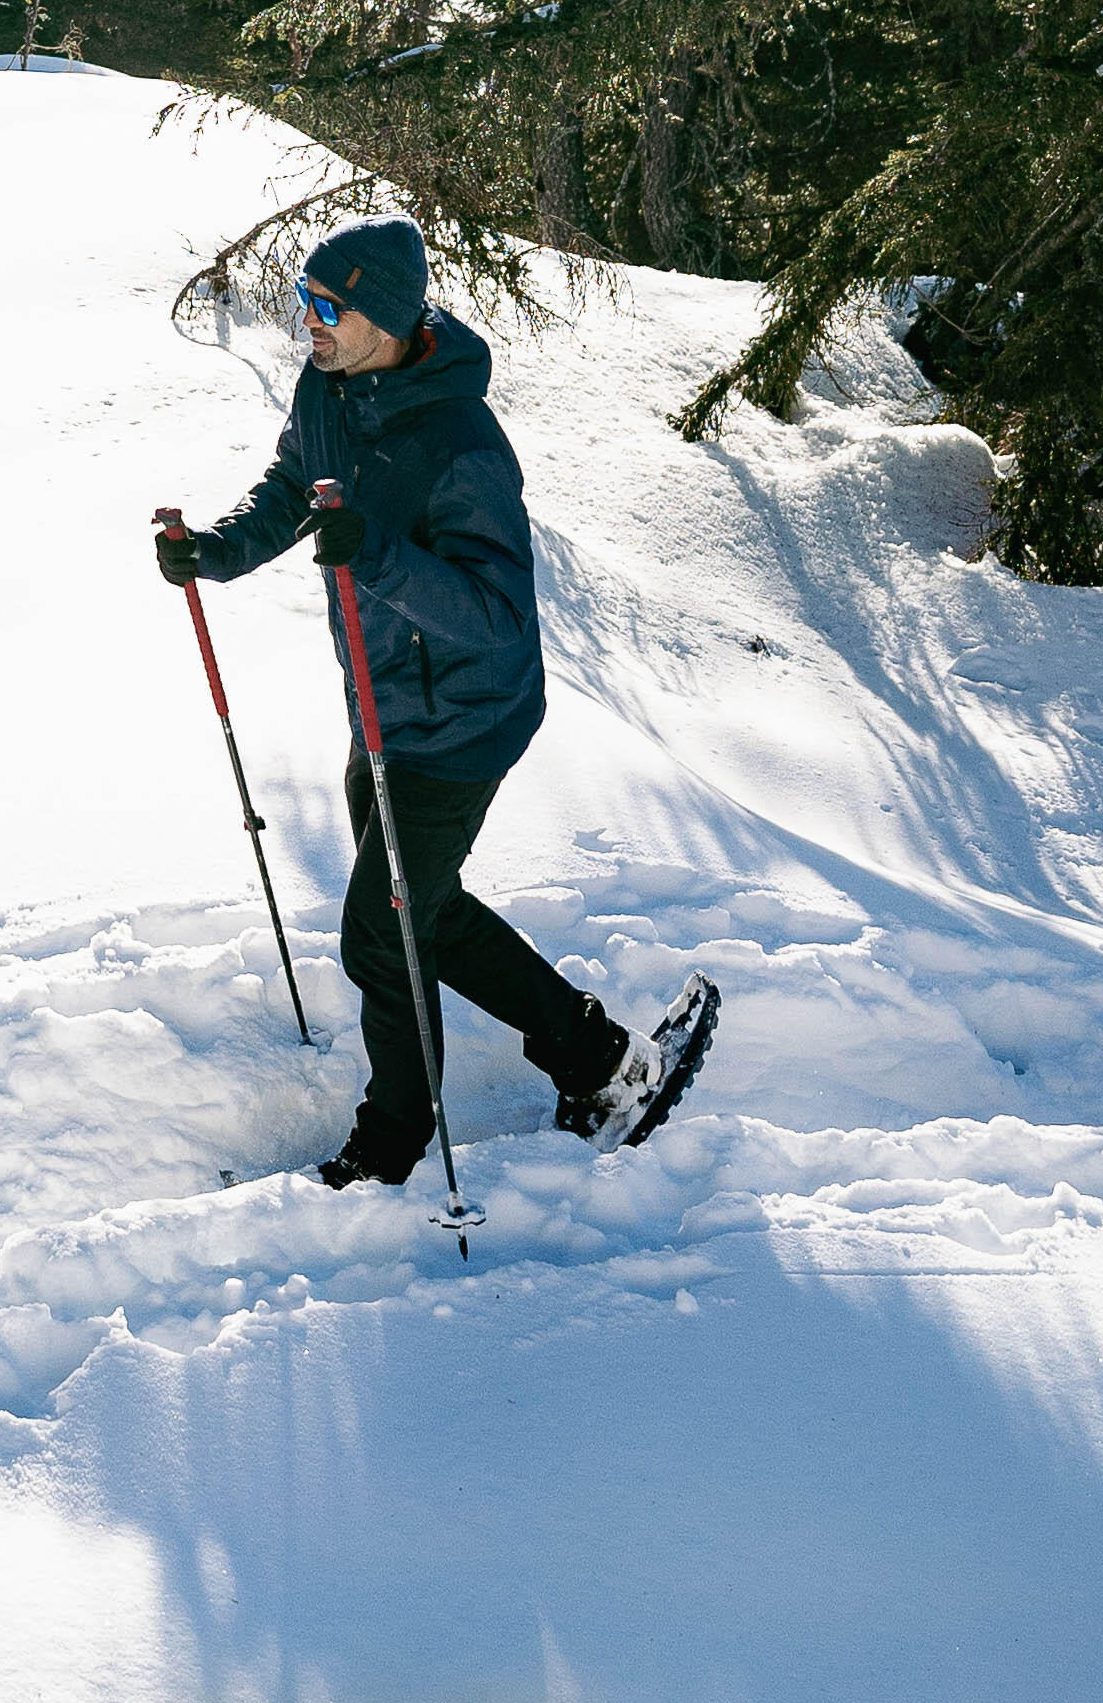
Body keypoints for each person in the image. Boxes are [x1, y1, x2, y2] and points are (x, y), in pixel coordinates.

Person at [154, 212, 714, 1193]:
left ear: (383, 314)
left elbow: (496, 614)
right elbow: (294, 483)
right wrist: (216, 549)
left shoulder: (461, 441)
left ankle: (391, 1150)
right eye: (303, 301)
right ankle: (602, 1061)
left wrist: (373, 550)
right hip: (380, 703)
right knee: (422, 907)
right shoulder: (324, 386)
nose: (307, 321)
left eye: (326, 306)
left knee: (380, 923)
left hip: (462, 716)